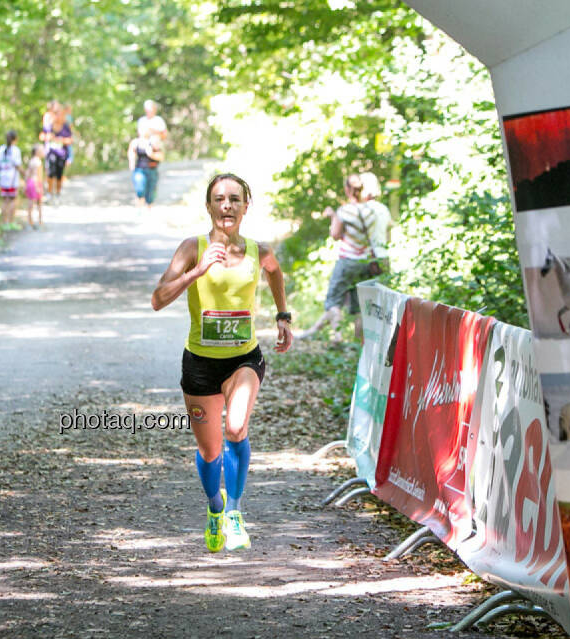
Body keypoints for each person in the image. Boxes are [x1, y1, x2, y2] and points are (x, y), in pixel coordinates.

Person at [151, 173, 292, 552]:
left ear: (246, 206)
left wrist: (283, 315)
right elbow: (158, 298)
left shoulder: (258, 251)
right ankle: (215, 507)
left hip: (244, 359)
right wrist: (195, 272)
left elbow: (276, 272)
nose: (226, 205)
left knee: (236, 427)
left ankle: (235, 512)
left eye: (234, 199)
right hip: (199, 364)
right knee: (211, 450)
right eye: (219, 199)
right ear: (209, 206)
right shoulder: (191, 248)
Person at [300, 172, 390, 341]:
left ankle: (337, 336)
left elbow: (335, 234)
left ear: (348, 190)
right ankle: (360, 344)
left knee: (333, 301)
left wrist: (333, 216)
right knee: (360, 307)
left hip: (347, 261)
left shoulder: (345, 210)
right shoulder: (371, 211)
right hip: (366, 261)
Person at [41, 103, 73, 200]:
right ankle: (49, 193)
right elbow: (42, 136)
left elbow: (70, 140)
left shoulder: (66, 127)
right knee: (50, 173)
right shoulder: (49, 126)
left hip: (62, 154)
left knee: (59, 174)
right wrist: (48, 137)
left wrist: (60, 140)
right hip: (50, 153)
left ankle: (58, 193)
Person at [0, 130, 24, 227]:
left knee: (4, 200)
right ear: (15, 139)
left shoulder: (0, 149)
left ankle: (4, 221)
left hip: (3, 177)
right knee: (12, 199)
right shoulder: (15, 150)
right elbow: (18, 165)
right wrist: (25, 174)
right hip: (12, 178)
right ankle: (11, 221)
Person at [127, 131, 164, 208]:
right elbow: (131, 152)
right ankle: (139, 209)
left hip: (152, 170)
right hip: (139, 169)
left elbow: (161, 156)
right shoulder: (135, 142)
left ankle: (149, 210)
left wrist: (151, 154)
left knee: (150, 193)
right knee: (140, 190)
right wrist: (131, 161)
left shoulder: (154, 141)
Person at [24, 145, 45, 229]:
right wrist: (38, 186)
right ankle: (40, 221)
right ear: (37, 152)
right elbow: (39, 175)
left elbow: (27, 174)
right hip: (36, 183)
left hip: (30, 182)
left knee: (30, 203)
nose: (43, 151)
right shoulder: (38, 161)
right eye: (41, 150)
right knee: (39, 203)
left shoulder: (31, 161)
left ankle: (30, 221)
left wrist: (26, 184)